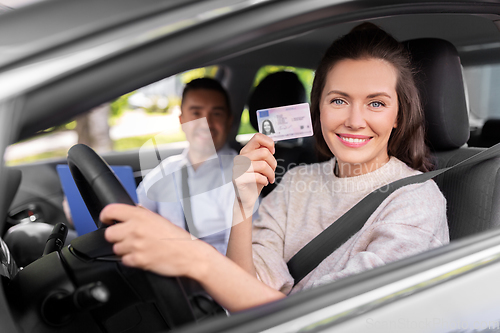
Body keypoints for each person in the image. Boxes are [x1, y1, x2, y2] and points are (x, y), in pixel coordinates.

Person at [101, 23, 449, 313]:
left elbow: (332, 319)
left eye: (376, 103)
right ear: (320, 110)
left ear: (398, 116)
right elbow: (246, 289)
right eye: (339, 100)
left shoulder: (415, 200)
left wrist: (196, 258)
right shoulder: (297, 180)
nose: (354, 121)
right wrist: (242, 203)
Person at [135, 78, 237, 255]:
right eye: (196, 113)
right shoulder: (167, 169)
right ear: (182, 120)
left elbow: (242, 255)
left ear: (229, 120)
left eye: (217, 114)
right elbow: (136, 212)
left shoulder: (241, 176)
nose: (206, 123)